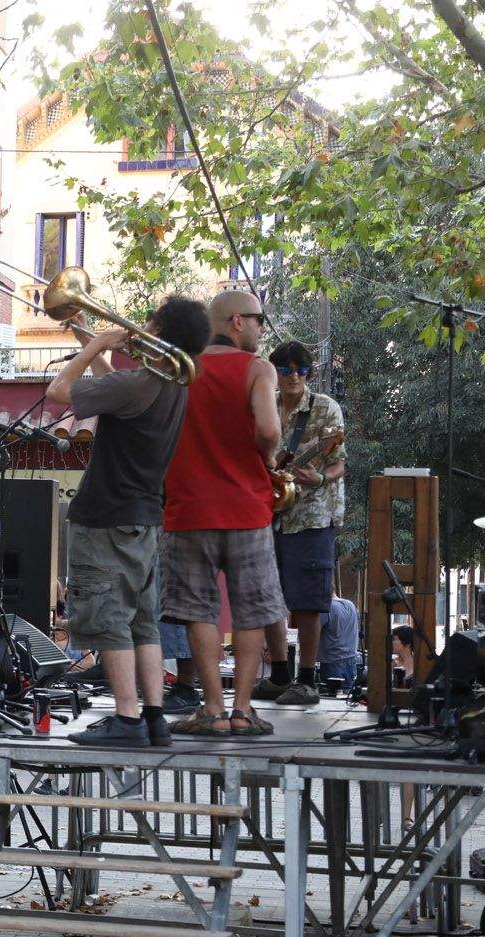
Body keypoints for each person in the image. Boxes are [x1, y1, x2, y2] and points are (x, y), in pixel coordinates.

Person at [45, 296, 211, 748]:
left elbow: (57, 392)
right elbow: (112, 386)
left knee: (108, 618)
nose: (140, 329)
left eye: (149, 324)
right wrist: (86, 334)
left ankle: (126, 719)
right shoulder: (172, 384)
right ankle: (153, 717)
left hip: (106, 518)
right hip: (143, 520)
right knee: (142, 622)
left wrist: (91, 345)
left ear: (162, 334)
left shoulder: (142, 383)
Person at [160, 290, 286, 737]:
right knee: (252, 612)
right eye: (258, 320)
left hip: (188, 508)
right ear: (236, 321)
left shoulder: (177, 369)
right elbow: (269, 429)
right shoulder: (258, 369)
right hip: (247, 509)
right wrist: (267, 457)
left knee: (199, 612)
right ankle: (242, 710)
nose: (261, 329)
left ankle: (211, 710)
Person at [256, 340, 348, 707]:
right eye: (286, 369)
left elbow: (339, 463)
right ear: (274, 372)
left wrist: (320, 479)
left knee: (309, 599)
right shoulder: (264, 406)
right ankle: (279, 676)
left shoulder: (325, 408)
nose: (294, 376)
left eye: (302, 370)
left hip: (313, 515)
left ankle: (307, 680)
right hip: (267, 512)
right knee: (268, 595)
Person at [319, 595, 362, 690]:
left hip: (332, 661)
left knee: (331, 699)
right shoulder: (350, 604)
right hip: (351, 660)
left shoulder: (326, 608)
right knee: (348, 698)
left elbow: (313, 631)